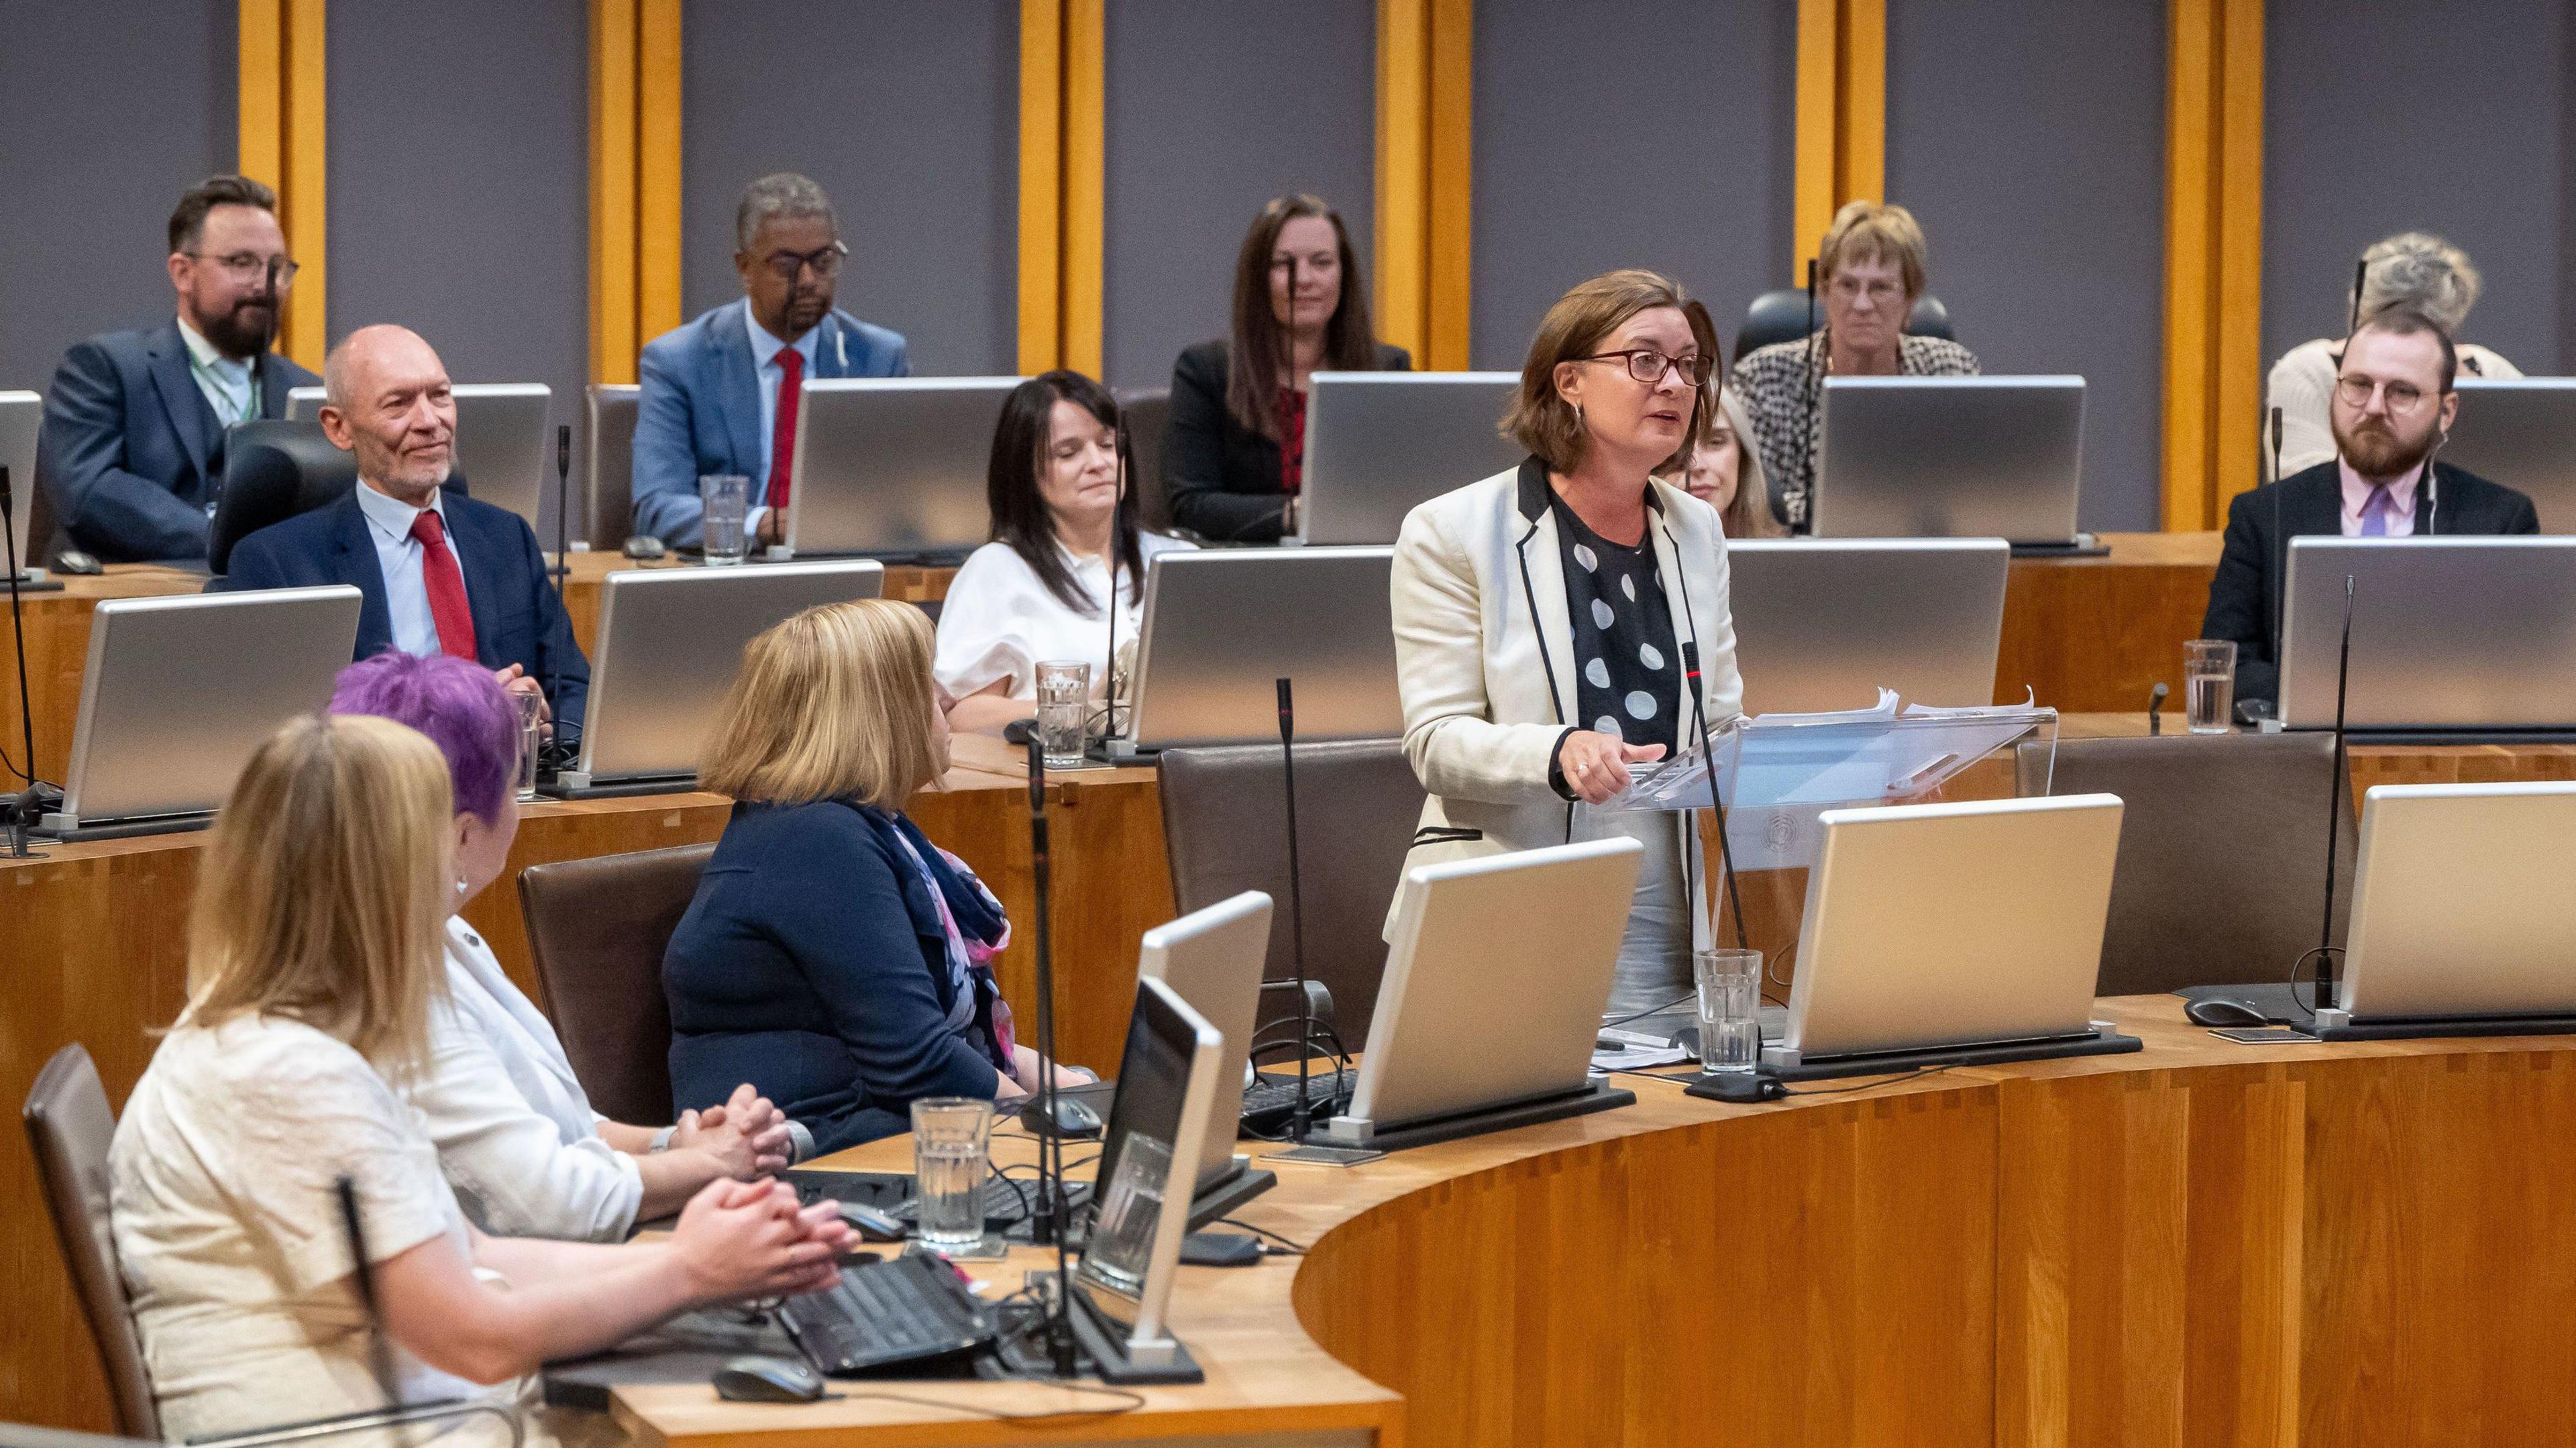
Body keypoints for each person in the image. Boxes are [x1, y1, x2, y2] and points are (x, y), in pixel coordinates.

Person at [110, 713, 851, 1447]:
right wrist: (690, 1272)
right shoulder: (284, 1076)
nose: (454, 866)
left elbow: (482, 1255)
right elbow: (475, 1338)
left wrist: (713, 1254)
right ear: (383, 880)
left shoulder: (293, 1036)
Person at [327, 651, 804, 1241]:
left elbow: (561, 1126)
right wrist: (708, 1165)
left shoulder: (440, 930)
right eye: (512, 784)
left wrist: (673, 1142)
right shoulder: (391, 984)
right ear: (464, 831)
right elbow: (544, 1202)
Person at [1389, 269, 1744, 1017]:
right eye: (1645, 360)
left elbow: (1720, 729)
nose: (1674, 384)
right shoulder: (1454, 531)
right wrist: (1558, 751)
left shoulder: (1697, 530)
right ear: (1571, 380)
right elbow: (1435, 739)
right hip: (1505, 905)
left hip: (1665, 909)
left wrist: (1852, 764)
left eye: (1689, 365)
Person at [665, 600, 1087, 1154]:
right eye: (926, 685)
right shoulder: (815, 838)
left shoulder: (851, 824)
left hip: (879, 1126)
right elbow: (917, 1061)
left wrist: (1061, 1086)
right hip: (820, 1152)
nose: (945, 701)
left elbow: (938, 1036)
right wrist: (1050, 1133)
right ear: (878, 714)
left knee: (1093, 1094)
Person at [226, 325, 590, 736]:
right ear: (338, 428)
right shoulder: (278, 563)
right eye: (398, 404)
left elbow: (573, 689)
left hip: (510, 791)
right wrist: (468, 719)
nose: (430, 421)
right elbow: (287, 731)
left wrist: (542, 729)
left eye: (440, 396)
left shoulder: (508, 537)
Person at [2204, 309, 2538, 708]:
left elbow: (2523, 673)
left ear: (2446, 411)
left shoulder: (2501, 520)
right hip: (2306, 757)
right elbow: (2224, 664)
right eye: (2359, 385)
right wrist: (2362, 695)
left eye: (2402, 392)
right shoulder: (2263, 515)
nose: (2375, 407)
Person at [38, 176, 319, 563]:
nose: (264, 285)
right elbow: (89, 490)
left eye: (277, 267)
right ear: (183, 273)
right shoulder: (104, 368)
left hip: (273, 598)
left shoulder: (305, 391)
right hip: (141, 598)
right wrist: (223, 540)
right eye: (242, 263)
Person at [631, 173, 908, 548]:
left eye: (823, 261)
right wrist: (762, 524)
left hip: (844, 575)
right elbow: (657, 507)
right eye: (788, 265)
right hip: (729, 580)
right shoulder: (679, 361)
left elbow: (903, 501)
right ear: (744, 268)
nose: (809, 280)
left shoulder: (877, 358)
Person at [937, 371, 1195, 734]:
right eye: (1069, 452)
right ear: (1025, 470)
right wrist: (1085, 708)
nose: (1098, 463)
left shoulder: (1179, 559)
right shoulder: (996, 571)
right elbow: (963, 716)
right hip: (1058, 780)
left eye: (1107, 445)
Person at [1164, 194, 1409, 543]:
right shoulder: (1206, 371)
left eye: (1322, 262)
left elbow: (1403, 495)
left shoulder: (1387, 370)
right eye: (1284, 264)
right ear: (1257, 279)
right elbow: (1191, 505)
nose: (1304, 279)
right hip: (1243, 573)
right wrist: (1295, 514)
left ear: (1345, 275)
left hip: (1357, 569)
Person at [1729, 200, 1978, 533]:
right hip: (1801, 562)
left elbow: (1969, 496)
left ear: (1910, 299)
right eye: (1848, 286)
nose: (1862, 305)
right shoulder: (1763, 378)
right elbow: (1755, 503)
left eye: (1880, 288)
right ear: (1823, 290)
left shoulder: (1951, 372)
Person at [2266, 232, 2520, 480]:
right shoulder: (2309, 372)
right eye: (2360, 385)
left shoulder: (2486, 370)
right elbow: (2303, 493)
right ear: (2363, 319)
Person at [1675, 388, 1785, 539]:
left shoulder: (1779, 556)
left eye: (1715, 442)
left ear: (1743, 457)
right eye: (1678, 446)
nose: (1697, 465)